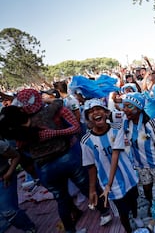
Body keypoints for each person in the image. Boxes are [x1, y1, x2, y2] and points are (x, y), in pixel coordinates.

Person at [4, 89, 111, 233]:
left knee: (61, 200)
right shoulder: (49, 113)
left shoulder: (18, 129)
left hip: (44, 167)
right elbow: (60, 105)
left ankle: (70, 230)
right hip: (66, 156)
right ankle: (104, 212)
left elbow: (21, 150)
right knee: (86, 186)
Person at [80, 99, 143, 233]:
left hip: (128, 177)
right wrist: (92, 189)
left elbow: (115, 154)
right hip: (111, 185)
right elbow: (91, 166)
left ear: (106, 112)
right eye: (90, 111)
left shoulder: (117, 129)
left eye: (98, 109)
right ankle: (128, 229)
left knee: (133, 200)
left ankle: (136, 216)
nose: (95, 112)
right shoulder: (86, 141)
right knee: (122, 211)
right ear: (88, 119)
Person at [121, 92, 155, 215]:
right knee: (146, 187)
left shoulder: (151, 124)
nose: (125, 110)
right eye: (124, 106)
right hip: (140, 165)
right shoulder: (127, 124)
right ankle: (151, 204)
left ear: (138, 108)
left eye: (129, 106)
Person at [0, 135, 36, 233]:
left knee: (9, 211)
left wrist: (9, 173)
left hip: (4, 178)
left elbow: (16, 155)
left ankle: (29, 227)